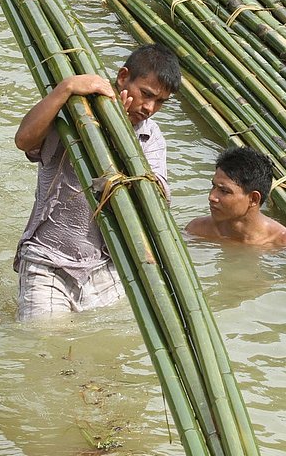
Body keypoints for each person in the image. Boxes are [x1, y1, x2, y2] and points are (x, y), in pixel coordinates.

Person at [13, 44, 181, 321]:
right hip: (48, 258)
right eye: (146, 94)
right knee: (47, 344)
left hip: (110, 264)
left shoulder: (150, 137)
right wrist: (65, 88)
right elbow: (24, 140)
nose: (149, 107)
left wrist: (123, 138)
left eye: (160, 102)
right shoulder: (75, 115)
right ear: (123, 77)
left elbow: (155, 199)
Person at [185, 146, 286, 248]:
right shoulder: (197, 230)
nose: (212, 197)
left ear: (253, 199)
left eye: (224, 191)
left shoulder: (283, 243)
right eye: (213, 186)